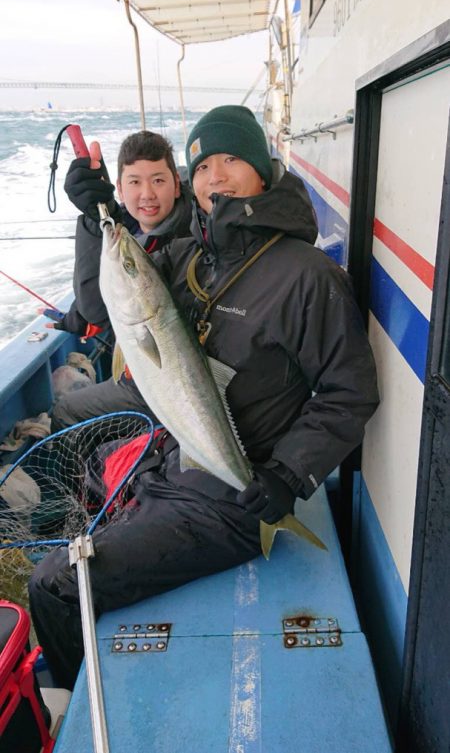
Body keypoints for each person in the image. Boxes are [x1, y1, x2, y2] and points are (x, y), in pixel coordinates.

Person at [29, 105, 379, 690]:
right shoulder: (191, 254)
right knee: (90, 474)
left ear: (264, 169)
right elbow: (99, 305)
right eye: (202, 164)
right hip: (174, 458)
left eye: (231, 158)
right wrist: (97, 220)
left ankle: (65, 705)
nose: (215, 175)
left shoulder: (307, 276)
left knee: (56, 583)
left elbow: (349, 392)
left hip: (230, 504)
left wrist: (288, 477)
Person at [48, 130, 192, 432]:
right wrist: (93, 219)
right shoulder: (123, 233)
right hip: (139, 369)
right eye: (135, 182)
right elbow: (96, 310)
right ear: (120, 191)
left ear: (177, 186)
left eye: (158, 180)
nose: (147, 194)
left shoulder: (193, 233)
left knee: (64, 411)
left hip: (172, 382)